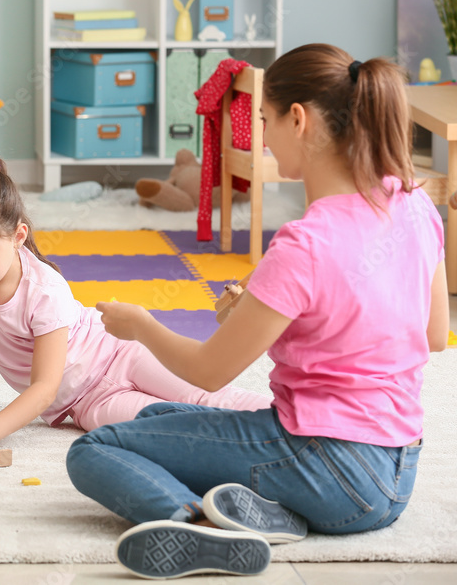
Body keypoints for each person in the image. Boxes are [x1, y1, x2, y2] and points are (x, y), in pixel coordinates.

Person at [67, 44, 449, 579]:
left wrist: (141, 327)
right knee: (157, 417)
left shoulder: (303, 244)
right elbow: (434, 334)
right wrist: (269, 311)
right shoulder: (414, 204)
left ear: (299, 119)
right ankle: (275, 513)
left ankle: (197, 526)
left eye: (265, 120)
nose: (262, 137)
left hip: (325, 465)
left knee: (97, 448)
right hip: (396, 474)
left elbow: (208, 371)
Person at [0, 151, 268, 457]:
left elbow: (44, 386)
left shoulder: (45, 288)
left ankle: (303, 420)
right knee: (167, 426)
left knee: (204, 397)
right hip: (87, 402)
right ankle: (261, 443)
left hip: (121, 354)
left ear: (18, 236)